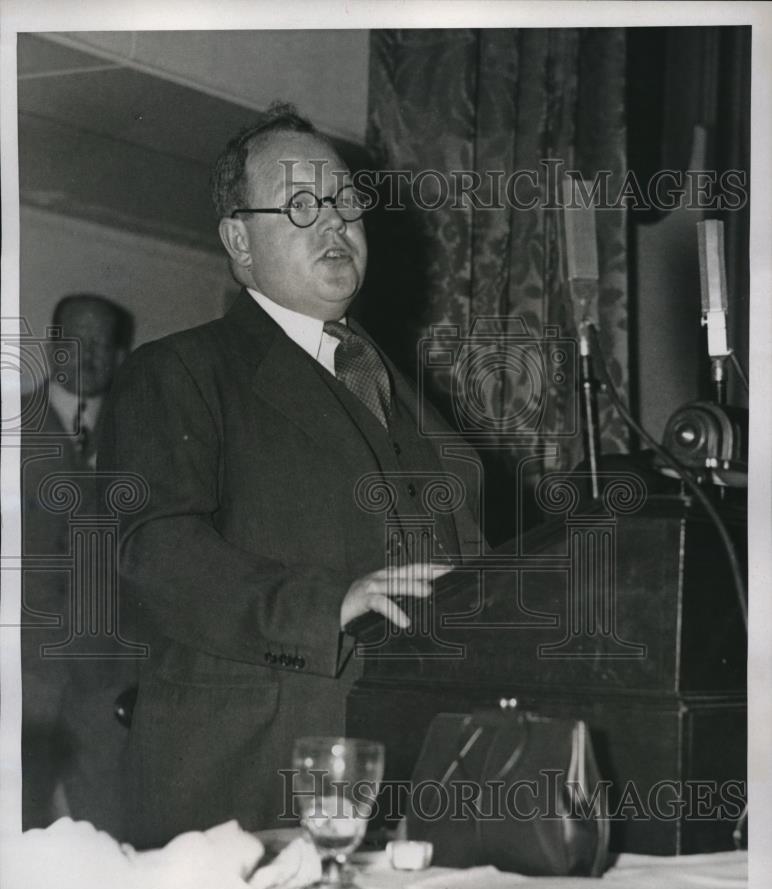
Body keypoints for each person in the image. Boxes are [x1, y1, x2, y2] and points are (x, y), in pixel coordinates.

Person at [98, 104, 483, 848]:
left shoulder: (398, 388)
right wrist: (328, 603)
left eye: (345, 203)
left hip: (403, 791)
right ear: (240, 240)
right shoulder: (176, 373)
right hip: (243, 792)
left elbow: (470, 567)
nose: (333, 225)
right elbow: (154, 553)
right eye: (301, 205)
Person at [21, 294, 135, 835]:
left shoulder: (146, 442)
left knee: (106, 829)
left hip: (106, 674)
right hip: (21, 671)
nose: (88, 355)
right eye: (75, 340)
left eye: (102, 344)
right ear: (50, 347)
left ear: (117, 356)